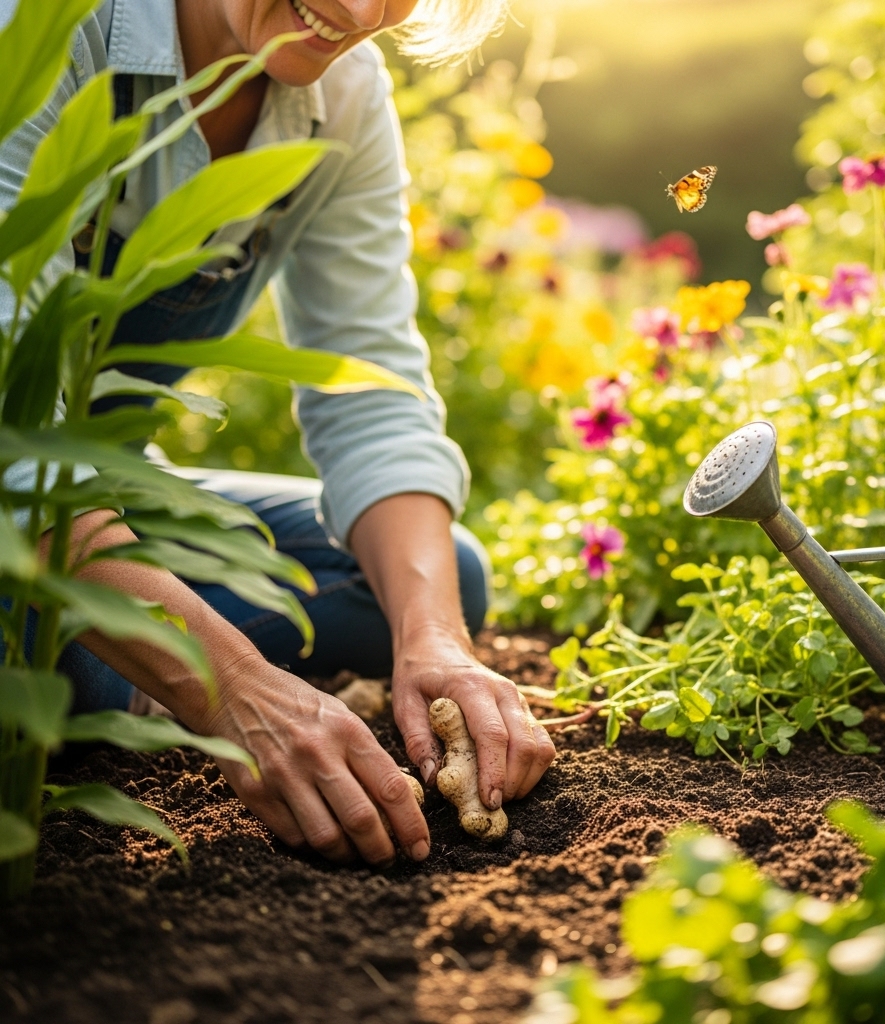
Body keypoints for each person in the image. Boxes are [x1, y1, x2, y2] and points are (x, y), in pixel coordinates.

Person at [0, 0, 556, 867]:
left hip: (97, 501)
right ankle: (112, 671)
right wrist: (231, 688)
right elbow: (13, 447)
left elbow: (372, 396)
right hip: (18, 508)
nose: (362, 11)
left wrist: (436, 644)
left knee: (429, 588)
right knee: (37, 653)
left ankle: (118, 667)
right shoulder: (40, 33)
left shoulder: (345, 98)